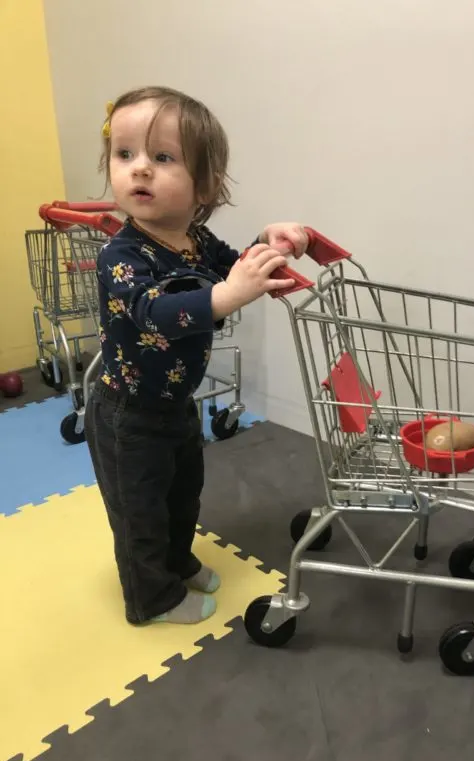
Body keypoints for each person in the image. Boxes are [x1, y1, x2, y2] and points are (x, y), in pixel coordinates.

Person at [85, 86, 308, 626]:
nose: (139, 170)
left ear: (203, 185)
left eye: (162, 158)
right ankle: (151, 599)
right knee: (140, 514)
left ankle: (176, 562)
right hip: (127, 415)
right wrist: (230, 295)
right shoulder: (122, 254)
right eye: (125, 154)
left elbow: (235, 263)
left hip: (176, 405)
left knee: (183, 497)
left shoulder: (195, 239)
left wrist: (268, 243)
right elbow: (155, 311)